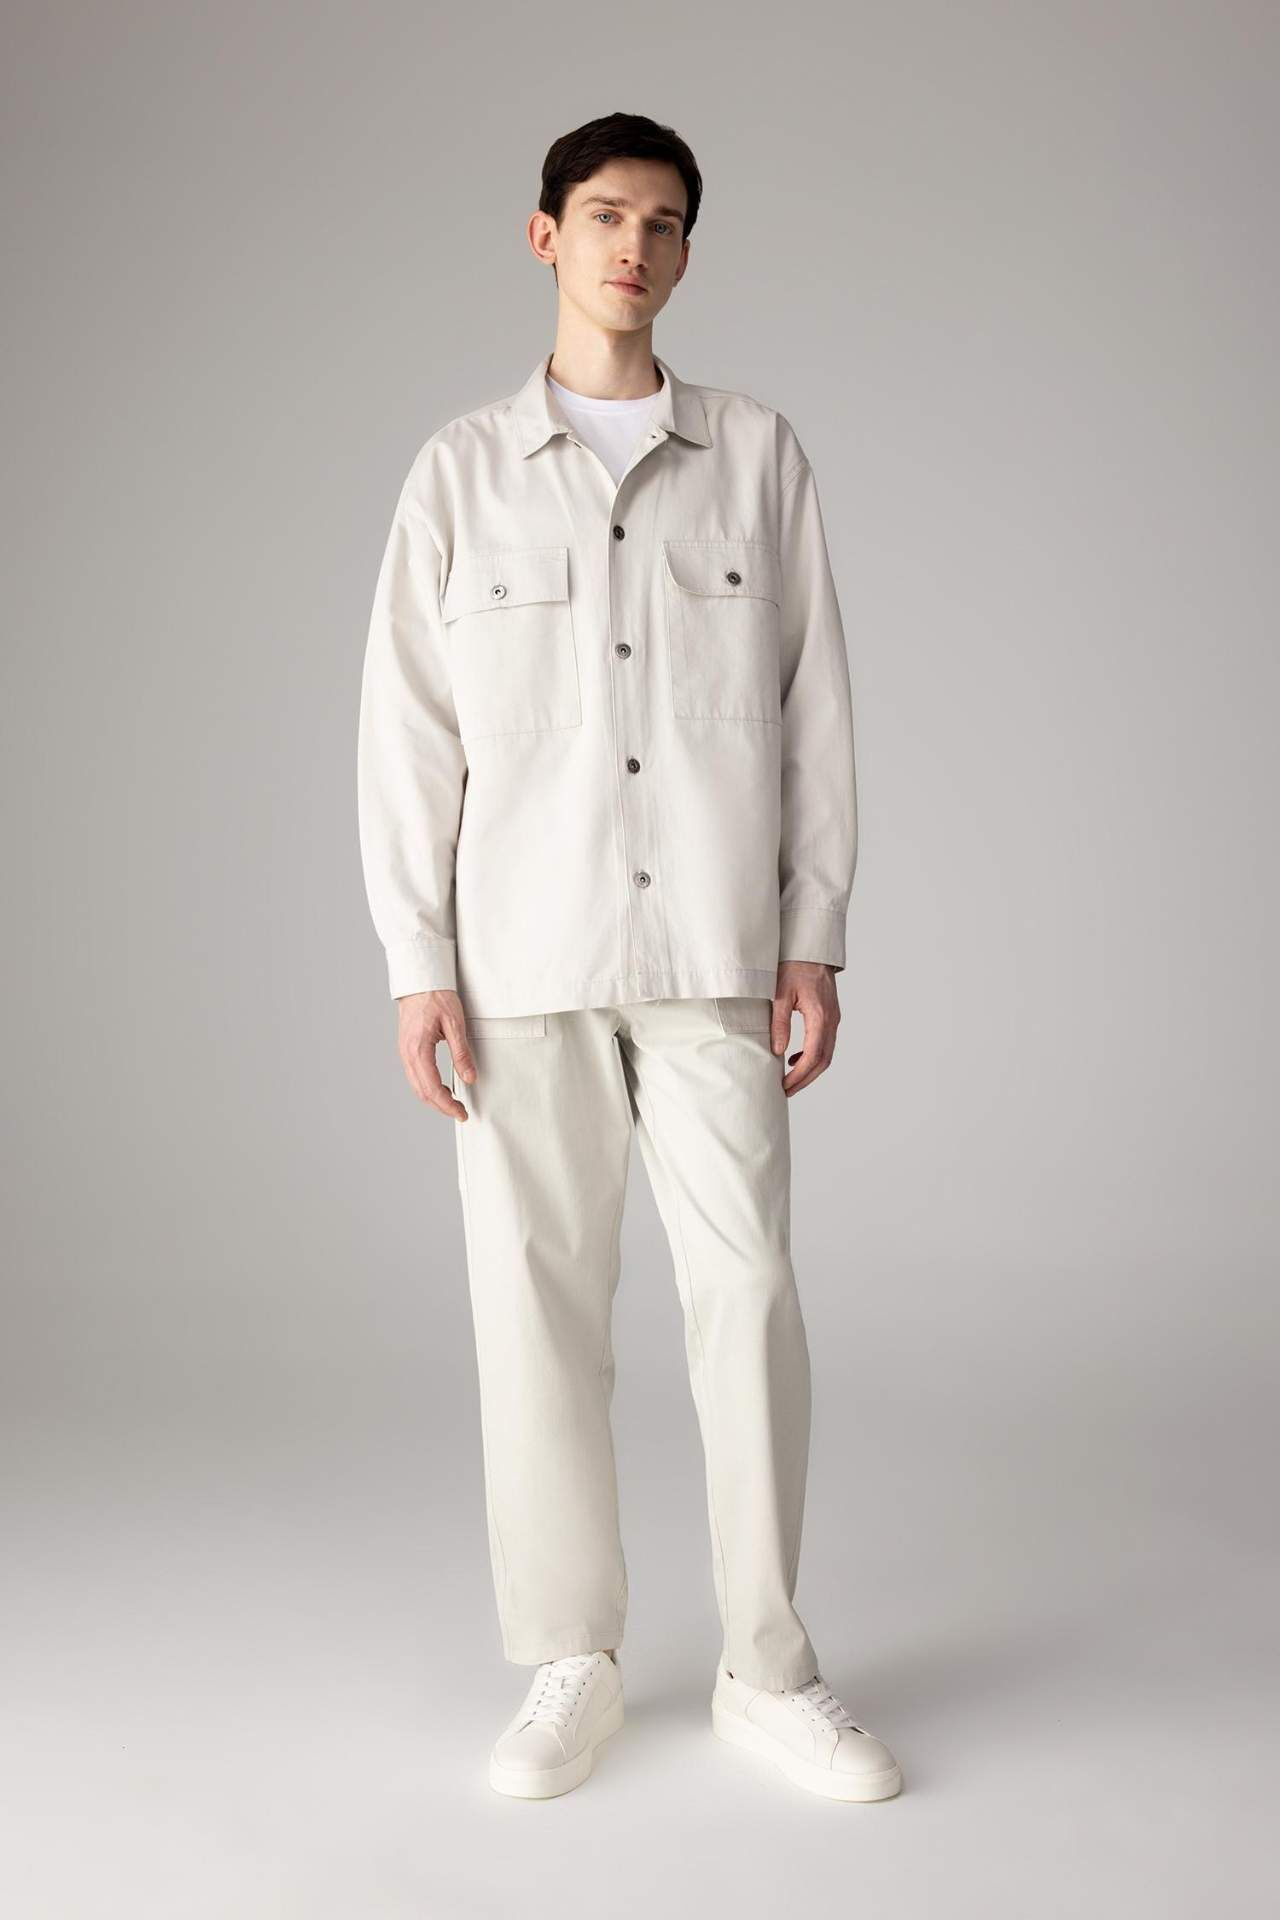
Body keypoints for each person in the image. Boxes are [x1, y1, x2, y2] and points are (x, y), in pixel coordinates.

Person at [356, 110, 902, 1805]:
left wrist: (814, 934)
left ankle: (768, 1666)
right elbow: (407, 733)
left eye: (663, 223)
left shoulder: (758, 457)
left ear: (685, 252)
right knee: (535, 1312)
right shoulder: (458, 474)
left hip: (714, 946)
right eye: (604, 216)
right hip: (518, 959)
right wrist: (416, 959)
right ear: (545, 236)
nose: (632, 248)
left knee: (748, 1296)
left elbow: (814, 707)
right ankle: (571, 1660)